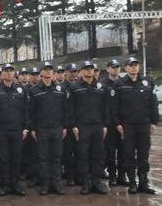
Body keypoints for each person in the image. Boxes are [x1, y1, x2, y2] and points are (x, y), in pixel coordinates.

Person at [114, 56, 159, 194]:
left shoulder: (147, 82)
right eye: (131, 65)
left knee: (143, 155)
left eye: (136, 65)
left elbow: (153, 103)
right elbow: (114, 106)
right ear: (126, 68)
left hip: (143, 124)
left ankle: (143, 183)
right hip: (128, 125)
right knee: (128, 154)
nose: (134, 67)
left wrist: (153, 121)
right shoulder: (120, 83)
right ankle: (132, 183)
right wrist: (117, 123)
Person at [0, 64, 30, 197]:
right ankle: (5, 184)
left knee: (16, 158)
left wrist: (26, 128)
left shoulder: (21, 90)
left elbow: (26, 110)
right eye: (6, 71)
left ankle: (15, 184)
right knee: (4, 158)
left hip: (17, 129)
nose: (9, 74)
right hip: (1, 130)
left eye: (11, 71)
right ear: (2, 74)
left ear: (14, 73)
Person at [69, 61, 110, 195]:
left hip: (98, 125)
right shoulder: (75, 87)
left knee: (98, 154)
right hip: (82, 126)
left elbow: (106, 108)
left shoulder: (101, 87)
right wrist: (74, 125)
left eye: (91, 69)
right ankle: (86, 181)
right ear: (81, 72)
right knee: (83, 154)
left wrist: (105, 125)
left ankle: (97, 181)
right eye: (86, 69)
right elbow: (71, 108)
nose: (89, 71)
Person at [28, 62, 68, 196]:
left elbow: (65, 109)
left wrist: (64, 126)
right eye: (46, 69)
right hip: (42, 128)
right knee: (43, 157)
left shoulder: (60, 89)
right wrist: (32, 128)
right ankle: (45, 183)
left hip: (57, 127)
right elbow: (31, 111)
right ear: (41, 73)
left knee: (56, 157)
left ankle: (56, 183)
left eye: (50, 69)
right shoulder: (34, 90)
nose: (49, 72)